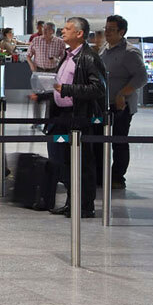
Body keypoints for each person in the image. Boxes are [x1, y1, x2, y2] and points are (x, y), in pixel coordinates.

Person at [36, 17, 106, 217]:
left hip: (78, 116)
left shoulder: (89, 58)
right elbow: (59, 86)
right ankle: (71, 202)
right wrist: (45, 95)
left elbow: (98, 88)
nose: (63, 31)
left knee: (82, 163)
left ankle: (84, 206)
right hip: (62, 116)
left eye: (67, 28)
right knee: (65, 162)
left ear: (79, 33)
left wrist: (67, 89)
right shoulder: (68, 56)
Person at [103, 14, 147, 191]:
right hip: (105, 104)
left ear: (121, 32)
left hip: (122, 106)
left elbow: (142, 77)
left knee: (119, 142)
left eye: (111, 30)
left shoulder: (130, 52)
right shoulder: (105, 50)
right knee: (102, 140)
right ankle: (102, 174)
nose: (107, 32)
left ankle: (118, 177)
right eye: (106, 28)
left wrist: (122, 93)